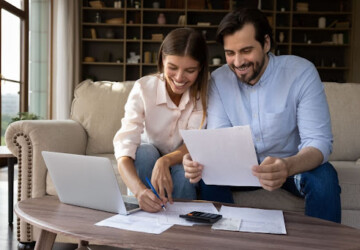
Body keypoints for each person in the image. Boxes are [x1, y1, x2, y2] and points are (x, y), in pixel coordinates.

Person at [183, 9, 341, 223]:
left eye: (246, 50)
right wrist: (198, 159)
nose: (238, 62)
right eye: (230, 53)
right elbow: (219, 138)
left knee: (325, 178)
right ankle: (220, 242)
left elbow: (319, 142)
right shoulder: (219, 80)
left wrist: (287, 167)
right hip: (240, 169)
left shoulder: (301, 73)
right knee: (207, 178)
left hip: (291, 167)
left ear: (266, 43)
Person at [113, 28, 209, 213]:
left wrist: (164, 161)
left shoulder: (203, 94)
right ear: (162, 60)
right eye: (172, 67)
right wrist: (139, 191)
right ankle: (143, 216)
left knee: (184, 175)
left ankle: (182, 233)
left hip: (181, 157)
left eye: (190, 70)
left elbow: (193, 142)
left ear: (200, 68)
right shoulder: (143, 88)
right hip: (148, 156)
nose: (180, 78)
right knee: (145, 153)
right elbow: (124, 148)